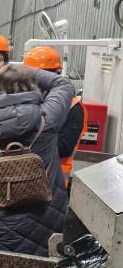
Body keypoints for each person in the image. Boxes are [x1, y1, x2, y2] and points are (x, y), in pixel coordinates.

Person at [0, 64, 75, 256]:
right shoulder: (48, 115)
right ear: (32, 84)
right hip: (44, 212)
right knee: (41, 266)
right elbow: (63, 84)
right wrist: (28, 69)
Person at [23, 46, 87, 188]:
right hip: (22, 178)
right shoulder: (29, 100)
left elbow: (63, 147)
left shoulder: (73, 107)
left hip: (52, 182)